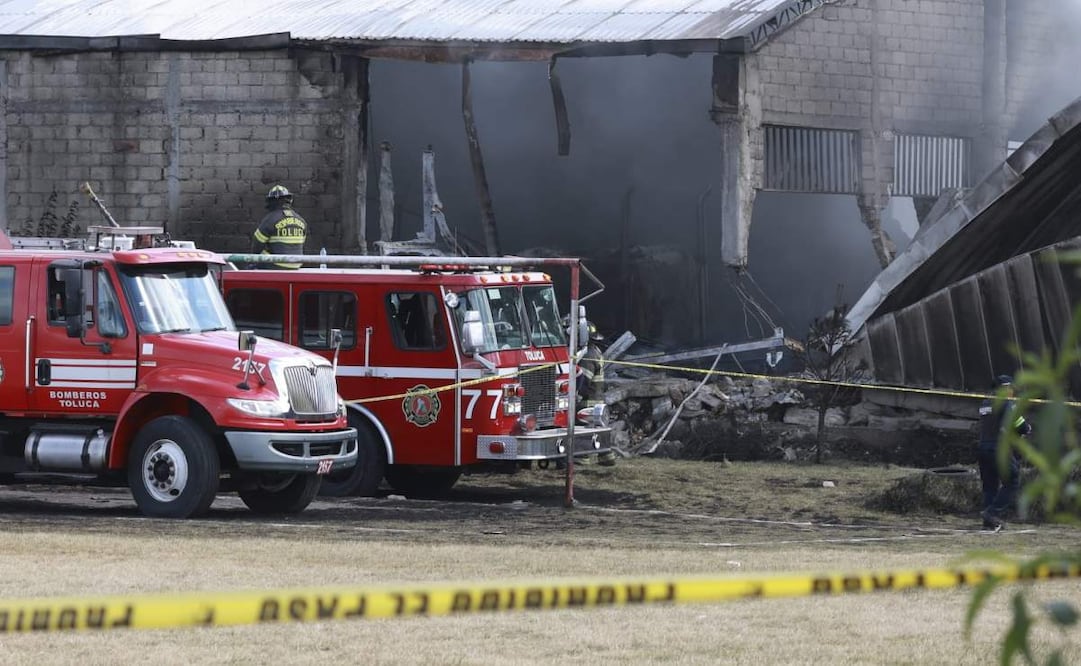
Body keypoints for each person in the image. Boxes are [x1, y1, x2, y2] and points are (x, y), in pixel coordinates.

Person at [977, 374, 1031, 531]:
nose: (1012, 391)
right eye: (1010, 388)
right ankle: (992, 513)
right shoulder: (1007, 403)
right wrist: (1026, 429)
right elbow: (1021, 426)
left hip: (983, 448)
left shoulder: (984, 404)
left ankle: (988, 521)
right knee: (1012, 480)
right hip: (999, 449)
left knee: (990, 486)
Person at [579, 321, 617, 467]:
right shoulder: (595, 351)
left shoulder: (587, 355)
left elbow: (584, 381)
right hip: (597, 399)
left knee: (581, 427)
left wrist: (575, 397)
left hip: (588, 400)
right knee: (599, 429)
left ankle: (582, 456)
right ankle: (606, 456)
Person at [252, 185, 307, 269]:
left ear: (270, 201)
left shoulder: (270, 219)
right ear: (289, 200)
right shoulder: (301, 220)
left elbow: (256, 246)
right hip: (297, 265)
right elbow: (301, 243)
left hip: (276, 265)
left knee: (256, 261)